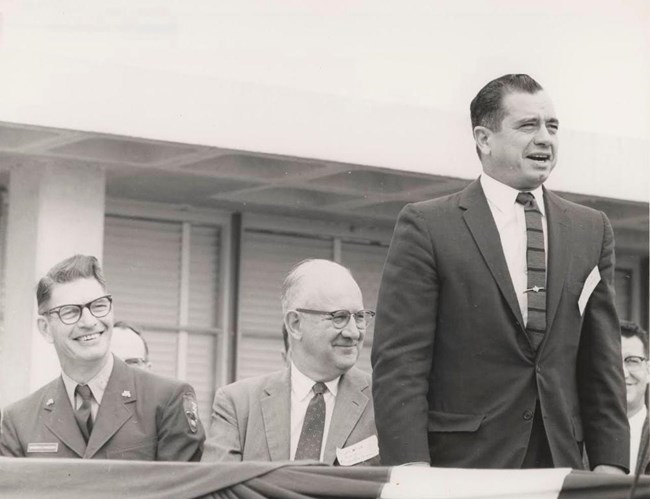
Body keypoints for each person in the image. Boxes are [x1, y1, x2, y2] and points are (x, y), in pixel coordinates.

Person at [371, 74, 629, 472]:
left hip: (560, 467)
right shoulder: (427, 226)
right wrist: (410, 470)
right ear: (484, 138)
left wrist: (611, 466)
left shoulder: (591, 229)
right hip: (460, 470)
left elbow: (603, 361)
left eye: (552, 126)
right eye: (528, 125)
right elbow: (400, 363)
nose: (545, 138)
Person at [0, 254, 205, 460]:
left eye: (98, 306)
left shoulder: (166, 400)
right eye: (70, 312)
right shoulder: (18, 421)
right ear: (45, 329)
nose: (89, 322)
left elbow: (183, 490)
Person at [203, 259, 379, 465]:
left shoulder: (384, 402)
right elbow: (217, 490)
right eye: (338, 317)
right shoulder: (238, 405)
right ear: (295, 324)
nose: (353, 332)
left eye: (359, 317)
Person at [621, 321, 650, 474]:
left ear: (648, 370)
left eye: (632, 361)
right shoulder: (577, 438)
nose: (623, 373)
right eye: (611, 362)